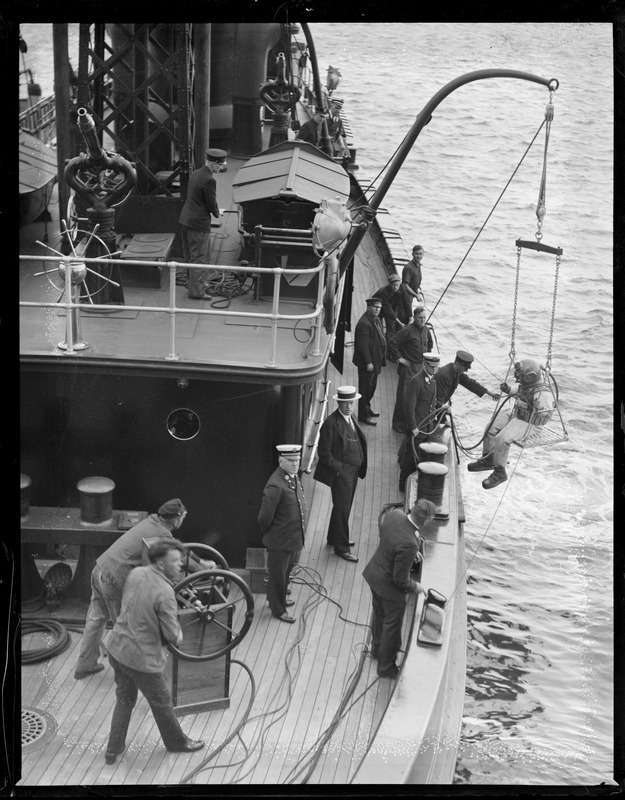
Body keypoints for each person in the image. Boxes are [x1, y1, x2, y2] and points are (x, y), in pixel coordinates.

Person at [74, 498, 215, 680]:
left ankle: (85, 665)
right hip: (113, 579)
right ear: (176, 519)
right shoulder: (162, 534)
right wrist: (204, 570)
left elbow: (178, 548)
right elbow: (178, 556)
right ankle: (126, 678)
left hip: (100, 568)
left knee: (96, 619)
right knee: (124, 629)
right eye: (184, 517)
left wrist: (202, 561)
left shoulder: (152, 521)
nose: (183, 520)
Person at [104, 538, 204, 764]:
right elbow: (172, 636)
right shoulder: (166, 592)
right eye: (176, 561)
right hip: (141, 660)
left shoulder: (136, 573)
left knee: (125, 698)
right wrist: (180, 633)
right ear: (160, 565)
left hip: (117, 650)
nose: (180, 565)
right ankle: (177, 743)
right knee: (161, 701)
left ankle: (113, 748)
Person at [363, 498, 436, 679]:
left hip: (374, 575)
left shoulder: (395, 515)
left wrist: (411, 553)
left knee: (379, 615)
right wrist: (416, 587)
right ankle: (386, 667)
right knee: (392, 627)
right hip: (390, 589)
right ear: (426, 521)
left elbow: (391, 539)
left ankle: (376, 650)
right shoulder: (409, 543)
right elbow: (400, 580)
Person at [467, 358, 554, 489]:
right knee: (490, 428)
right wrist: (508, 389)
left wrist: (537, 407)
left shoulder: (542, 392)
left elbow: (547, 412)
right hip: (518, 414)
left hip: (530, 422)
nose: (517, 377)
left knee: (502, 439)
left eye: (521, 375)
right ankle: (488, 459)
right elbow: (517, 390)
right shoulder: (526, 386)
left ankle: (500, 472)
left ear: (530, 377)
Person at [313, 386, 368, 562]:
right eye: (345, 403)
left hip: (353, 472)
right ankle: (341, 548)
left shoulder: (350, 418)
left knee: (342, 507)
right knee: (343, 509)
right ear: (339, 403)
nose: (349, 406)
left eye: (351, 403)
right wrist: (340, 469)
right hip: (342, 474)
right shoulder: (330, 423)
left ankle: (333, 537)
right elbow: (324, 453)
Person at [257, 444, 308, 624]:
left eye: (297, 460)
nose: (295, 464)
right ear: (281, 461)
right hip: (280, 541)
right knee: (278, 575)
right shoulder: (275, 485)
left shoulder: (291, 478)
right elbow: (264, 517)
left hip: (292, 539)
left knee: (285, 573)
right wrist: (273, 536)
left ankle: (277, 599)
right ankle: (278, 609)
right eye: (290, 461)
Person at [178, 148, 226, 299]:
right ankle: (197, 292)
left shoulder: (196, 173)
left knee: (190, 256)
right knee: (200, 257)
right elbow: (211, 203)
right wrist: (218, 212)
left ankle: (192, 284)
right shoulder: (209, 180)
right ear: (213, 164)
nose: (221, 168)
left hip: (186, 219)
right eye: (220, 165)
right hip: (199, 224)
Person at [399, 352, 443, 493]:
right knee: (410, 458)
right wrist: (413, 427)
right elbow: (409, 405)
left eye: (437, 367)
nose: (435, 370)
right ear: (425, 365)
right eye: (432, 367)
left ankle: (412, 484)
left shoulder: (432, 380)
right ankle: (403, 486)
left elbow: (431, 403)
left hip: (426, 427)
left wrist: (441, 409)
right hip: (417, 428)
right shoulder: (417, 381)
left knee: (420, 456)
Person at [388, 306, 433, 433]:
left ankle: (410, 423)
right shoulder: (407, 330)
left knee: (416, 397)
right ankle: (398, 424)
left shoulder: (426, 330)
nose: (422, 320)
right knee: (403, 395)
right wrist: (399, 358)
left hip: (421, 367)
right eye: (420, 318)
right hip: (409, 367)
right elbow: (392, 342)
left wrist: (428, 358)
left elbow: (430, 344)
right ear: (414, 318)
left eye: (424, 317)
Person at [352, 296, 387, 425]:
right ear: (369, 307)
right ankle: (363, 415)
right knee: (365, 389)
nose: (378, 310)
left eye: (379, 308)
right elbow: (363, 346)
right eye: (375, 307)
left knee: (371, 387)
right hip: (368, 363)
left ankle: (367, 409)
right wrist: (368, 362)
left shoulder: (374, 320)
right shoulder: (364, 323)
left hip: (375, 361)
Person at [435, 350, 500, 408]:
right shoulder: (443, 375)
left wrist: (490, 393)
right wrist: (444, 420)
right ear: (458, 364)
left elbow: (470, 383)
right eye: (465, 368)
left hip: (439, 406)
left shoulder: (456, 372)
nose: (466, 371)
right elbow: (438, 401)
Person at [373, 274, 404, 356]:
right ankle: (378, 349)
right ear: (390, 284)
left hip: (388, 308)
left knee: (391, 330)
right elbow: (388, 309)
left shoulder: (400, 290)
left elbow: (403, 303)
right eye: (394, 285)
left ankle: (390, 352)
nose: (396, 288)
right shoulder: (383, 292)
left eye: (397, 285)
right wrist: (399, 322)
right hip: (377, 309)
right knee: (378, 330)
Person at [398, 245, 424, 324]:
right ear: (412, 254)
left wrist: (417, 293)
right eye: (416, 254)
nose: (418, 256)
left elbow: (414, 284)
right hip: (403, 298)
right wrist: (416, 295)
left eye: (420, 254)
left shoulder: (418, 266)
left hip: (409, 299)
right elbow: (405, 285)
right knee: (403, 319)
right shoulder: (409, 268)